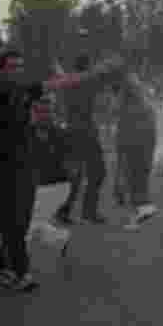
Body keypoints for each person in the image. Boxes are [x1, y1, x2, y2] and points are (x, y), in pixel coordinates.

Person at [0, 49, 123, 291]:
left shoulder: (28, 89)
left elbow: (64, 82)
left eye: (19, 66)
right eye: (12, 66)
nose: (16, 70)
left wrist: (97, 71)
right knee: (10, 217)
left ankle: (4, 264)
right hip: (5, 162)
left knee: (23, 217)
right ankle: (21, 272)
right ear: (2, 69)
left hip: (26, 161)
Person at [53, 54, 109, 224]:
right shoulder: (88, 81)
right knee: (97, 172)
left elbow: (62, 77)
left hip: (72, 131)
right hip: (86, 131)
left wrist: (57, 67)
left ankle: (64, 211)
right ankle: (88, 212)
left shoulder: (69, 82)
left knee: (75, 175)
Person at [113, 73, 160, 230]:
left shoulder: (131, 104)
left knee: (135, 182)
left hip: (136, 147)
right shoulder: (143, 103)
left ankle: (137, 215)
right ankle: (140, 211)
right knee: (138, 182)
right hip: (140, 147)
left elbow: (122, 129)